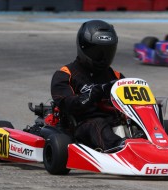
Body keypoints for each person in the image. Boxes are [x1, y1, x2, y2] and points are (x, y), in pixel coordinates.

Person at [51, 20, 125, 152]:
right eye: (98, 52)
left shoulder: (116, 76)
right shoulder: (65, 74)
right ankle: (120, 148)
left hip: (114, 122)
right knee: (97, 123)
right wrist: (93, 94)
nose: (103, 58)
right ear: (84, 48)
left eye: (108, 52)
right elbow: (66, 104)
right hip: (80, 126)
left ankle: (159, 145)